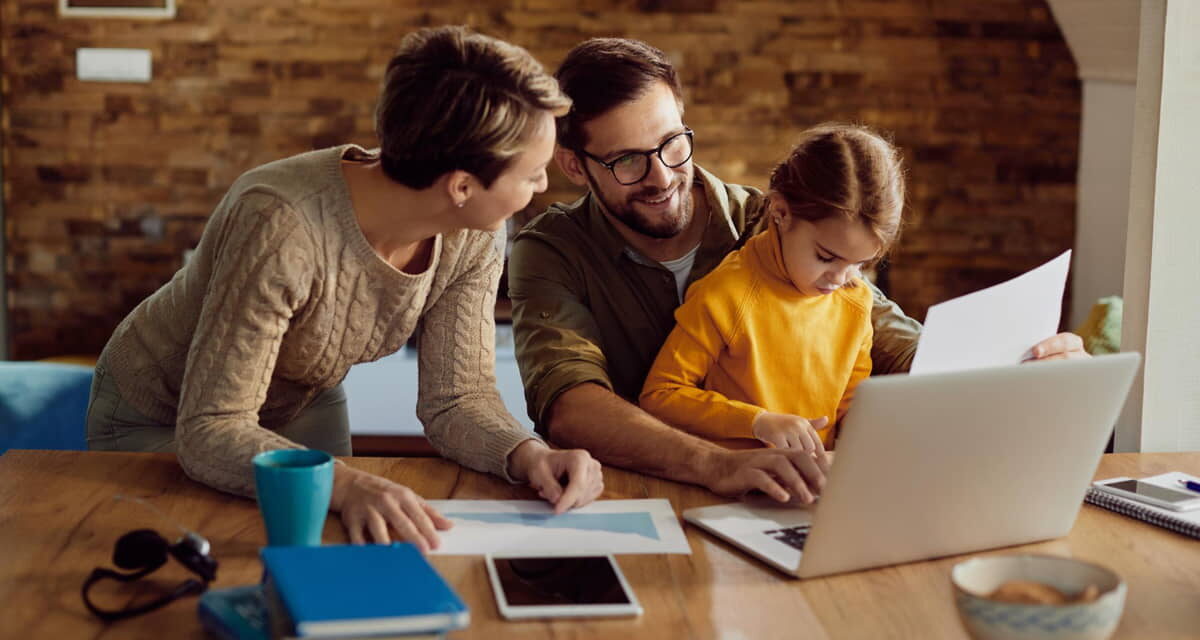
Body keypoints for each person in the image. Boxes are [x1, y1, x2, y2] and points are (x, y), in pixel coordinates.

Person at [86, 26, 604, 551]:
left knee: (337, 553)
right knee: (216, 558)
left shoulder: (474, 230)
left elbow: (457, 398)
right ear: (462, 185)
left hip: (302, 398)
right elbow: (211, 427)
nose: (544, 185)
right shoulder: (281, 222)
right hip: (166, 410)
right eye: (533, 174)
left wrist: (528, 454)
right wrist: (346, 483)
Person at [508, 37, 1088, 505]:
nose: (662, 176)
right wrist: (718, 463)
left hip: (789, 496)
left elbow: (893, 342)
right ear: (574, 166)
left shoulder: (775, 224)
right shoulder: (551, 250)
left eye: (672, 144)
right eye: (627, 161)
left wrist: (1013, 369)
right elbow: (571, 405)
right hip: (624, 502)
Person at [640, 124, 904, 459]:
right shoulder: (725, 294)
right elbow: (660, 394)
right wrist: (757, 422)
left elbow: (852, 409)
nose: (841, 278)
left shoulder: (856, 301)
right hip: (736, 480)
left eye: (860, 264)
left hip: (816, 480)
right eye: (826, 257)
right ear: (780, 212)